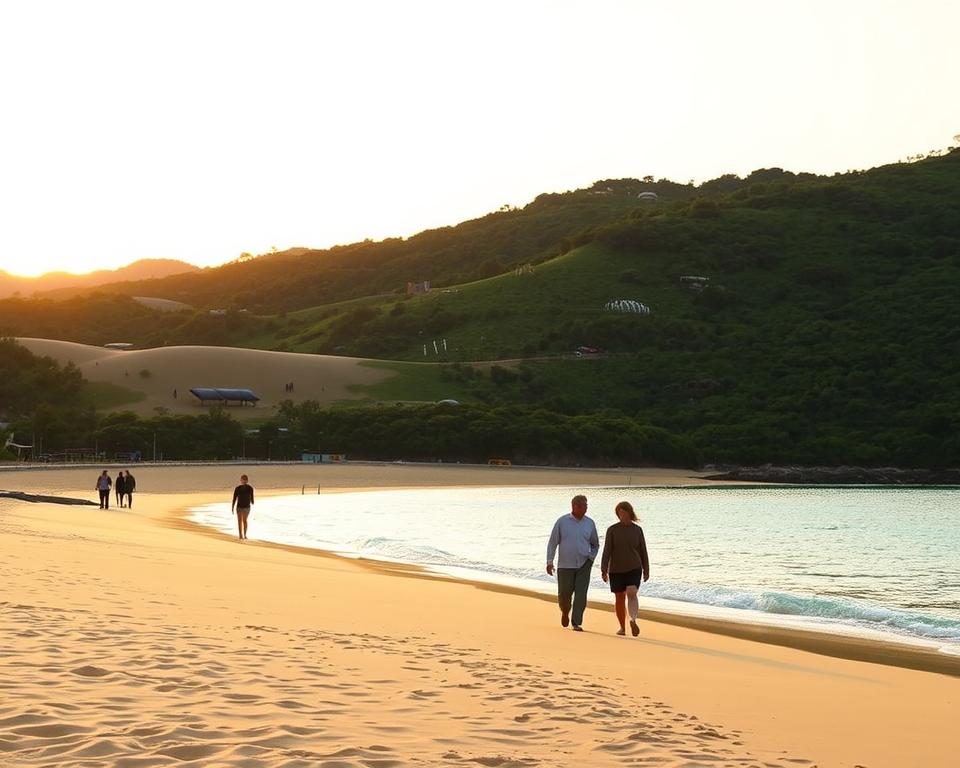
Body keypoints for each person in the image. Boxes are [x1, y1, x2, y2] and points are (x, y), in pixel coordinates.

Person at [546, 494, 599, 632]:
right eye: (584, 505)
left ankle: (576, 622)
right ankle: (565, 612)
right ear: (575, 506)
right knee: (564, 595)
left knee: (581, 595)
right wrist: (549, 561)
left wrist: (591, 558)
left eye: (587, 505)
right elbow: (553, 542)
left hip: (584, 564)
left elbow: (595, 544)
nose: (586, 508)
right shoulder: (562, 522)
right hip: (565, 565)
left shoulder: (590, 523)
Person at [600, 501, 650, 637]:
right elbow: (607, 551)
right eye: (619, 513)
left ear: (629, 512)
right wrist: (603, 570)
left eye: (624, 512)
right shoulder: (612, 530)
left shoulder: (637, 530)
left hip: (634, 567)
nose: (621, 515)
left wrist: (646, 569)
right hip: (616, 569)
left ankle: (633, 620)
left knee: (631, 591)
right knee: (619, 597)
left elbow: (643, 550)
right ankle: (622, 627)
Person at [231, 474, 255, 540]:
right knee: (239, 521)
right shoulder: (237, 488)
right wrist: (232, 507)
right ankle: (240, 535)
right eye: (242, 479)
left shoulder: (250, 488)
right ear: (240, 480)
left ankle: (245, 535)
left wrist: (252, 502)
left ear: (247, 480)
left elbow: (252, 497)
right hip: (239, 507)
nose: (244, 481)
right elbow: (234, 498)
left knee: (244, 520)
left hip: (247, 507)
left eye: (245, 479)